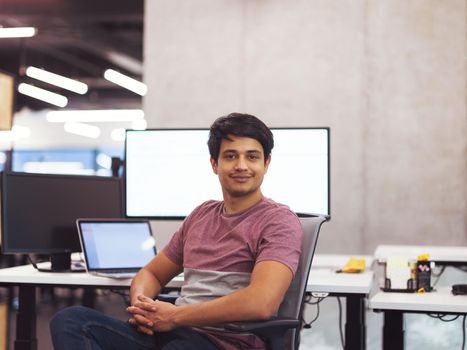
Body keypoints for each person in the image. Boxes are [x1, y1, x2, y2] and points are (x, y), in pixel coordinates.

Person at [50, 113, 303, 350]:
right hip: (173, 332)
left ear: (266, 163)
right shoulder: (201, 215)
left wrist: (174, 316)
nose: (241, 165)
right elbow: (151, 273)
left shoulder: (278, 220)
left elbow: (261, 302)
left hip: (222, 342)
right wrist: (143, 307)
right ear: (214, 164)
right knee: (71, 321)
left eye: (252, 156)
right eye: (230, 156)